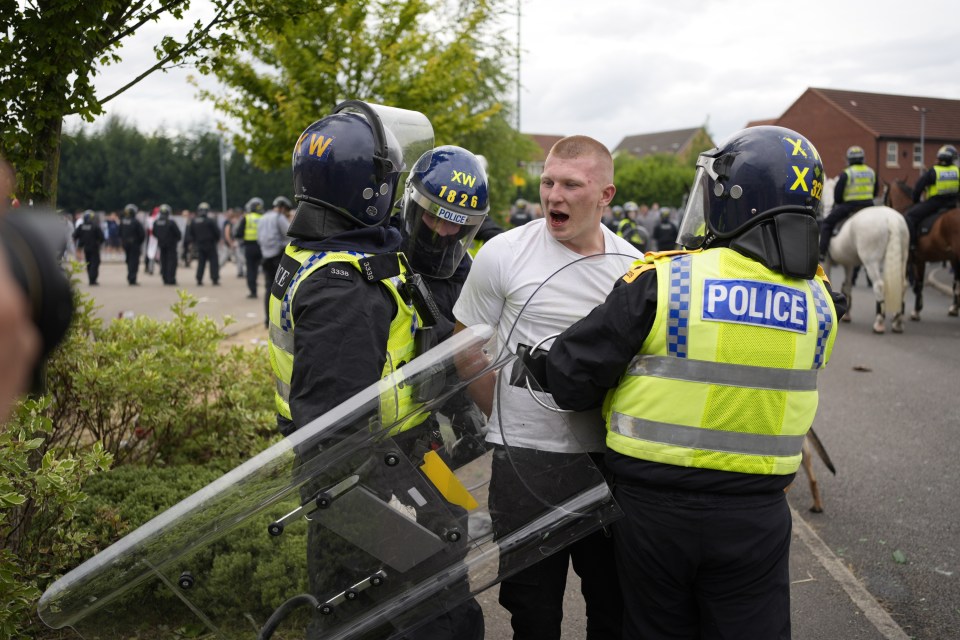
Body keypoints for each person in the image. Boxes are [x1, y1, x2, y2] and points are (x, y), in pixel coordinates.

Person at [542, 126, 847, 640]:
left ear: (735, 201)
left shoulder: (667, 279)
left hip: (652, 514)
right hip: (759, 515)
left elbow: (570, 379)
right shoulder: (821, 301)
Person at [266, 101, 482, 639]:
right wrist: (391, 503)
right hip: (367, 473)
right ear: (368, 188)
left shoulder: (331, 252)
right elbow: (335, 435)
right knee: (427, 613)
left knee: (448, 547)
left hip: (412, 451)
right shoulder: (345, 286)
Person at [453, 135, 639, 640]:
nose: (554, 195)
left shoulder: (634, 270)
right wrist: (506, 419)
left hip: (606, 462)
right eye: (548, 182)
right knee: (532, 611)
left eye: (571, 185)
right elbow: (466, 349)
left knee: (612, 601)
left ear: (605, 195)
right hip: (524, 465)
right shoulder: (504, 253)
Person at [818, 145, 878, 259]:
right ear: (863, 159)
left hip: (850, 206)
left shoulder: (846, 173)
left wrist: (840, 202)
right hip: (869, 206)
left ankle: (822, 252)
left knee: (827, 223)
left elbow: (838, 196)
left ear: (849, 160)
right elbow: (875, 192)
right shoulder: (871, 172)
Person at [905, 144, 959, 249]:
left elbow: (918, 188)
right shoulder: (957, 171)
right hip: (953, 204)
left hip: (935, 203)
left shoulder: (933, 171)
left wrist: (915, 201)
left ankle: (912, 245)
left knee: (910, 217)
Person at [257, 195, 293, 327]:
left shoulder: (263, 218)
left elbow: (259, 237)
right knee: (282, 289)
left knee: (268, 289)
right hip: (278, 257)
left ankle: (267, 319)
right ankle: (278, 320)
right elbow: (290, 234)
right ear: (283, 208)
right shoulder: (279, 217)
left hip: (265, 257)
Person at [234, 197, 264, 298]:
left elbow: (238, 234)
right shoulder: (263, 218)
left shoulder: (246, 218)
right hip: (261, 247)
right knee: (265, 269)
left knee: (251, 269)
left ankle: (253, 291)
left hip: (250, 247)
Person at [186, 202, 220, 286]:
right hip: (210, 244)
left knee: (201, 262)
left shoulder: (194, 221)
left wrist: (194, 242)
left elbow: (190, 233)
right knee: (213, 262)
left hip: (200, 244)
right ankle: (214, 278)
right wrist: (216, 240)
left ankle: (199, 279)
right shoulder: (210, 221)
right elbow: (217, 232)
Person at [152, 203, 181, 286]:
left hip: (161, 245)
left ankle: (164, 278)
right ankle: (171, 279)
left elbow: (154, 233)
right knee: (171, 262)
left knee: (163, 261)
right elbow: (178, 234)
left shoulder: (156, 222)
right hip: (171, 245)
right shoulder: (171, 222)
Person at [72, 210, 104, 285]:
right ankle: (92, 280)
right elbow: (102, 237)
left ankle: (90, 279)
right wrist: (98, 244)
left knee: (88, 263)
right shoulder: (95, 226)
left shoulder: (81, 226)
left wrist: (79, 245)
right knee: (95, 263)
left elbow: (74, 236)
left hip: (85, 248)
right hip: (94, 248)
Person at [119, 204, 146, 285]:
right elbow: (142, 234)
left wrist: (123, 241)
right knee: (134, 262)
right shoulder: (136, 222)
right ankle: (132, 279)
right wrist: (138, 243)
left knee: (128, 261)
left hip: (126, 244)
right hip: (134, 245)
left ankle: (130, 276)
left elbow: (119, 233)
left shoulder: (123, 221)